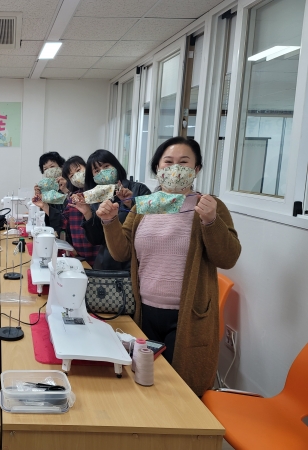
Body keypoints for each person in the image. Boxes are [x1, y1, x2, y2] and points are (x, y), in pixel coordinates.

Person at [97, 137, 241, 396]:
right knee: (143, 384)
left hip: (188, 316)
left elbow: (228, 258)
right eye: (168, 162)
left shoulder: (210, 206)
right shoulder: (145, 206)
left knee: (180, 392)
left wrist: (211, 221)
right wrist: (110, 222)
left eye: (184, 163)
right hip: (144, 311)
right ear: (158, 168)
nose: (175, 169)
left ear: (196, 169)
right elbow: (122, 252)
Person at [74, 149, 151, 270]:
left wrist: (131, 204)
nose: (103, 172)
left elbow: (151, 224)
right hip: (106, 264)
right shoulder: (95, 197)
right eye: (97, 171)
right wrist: (87, 212)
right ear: (93, 177)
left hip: (134, 263)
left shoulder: (139, 189)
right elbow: (97, 239)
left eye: (106, 166)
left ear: (115, 166)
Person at [58, 156, 101, 266]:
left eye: (78, 170)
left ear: (87, 167)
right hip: (81, 256)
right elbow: (62, 222)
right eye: (72, 176)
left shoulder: (101, 192)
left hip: (99, 257)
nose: (76, 176)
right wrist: (45, 206)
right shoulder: (74, 197)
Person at [32, 151, 69, 232]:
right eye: (45, 169)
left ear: (61, 167)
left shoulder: (69, 184)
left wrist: (66, 190)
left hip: (67, 230)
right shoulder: (44, 188)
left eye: (52, 167)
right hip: (51, 229)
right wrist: (39, 197)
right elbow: (43, 214)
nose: (49, 171)